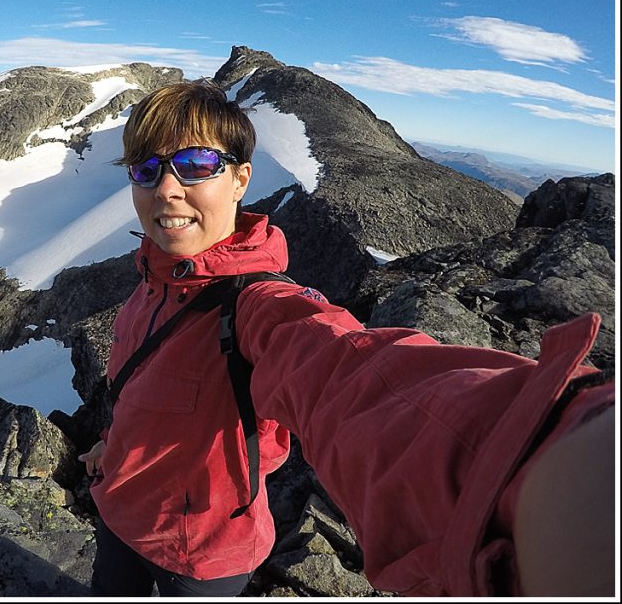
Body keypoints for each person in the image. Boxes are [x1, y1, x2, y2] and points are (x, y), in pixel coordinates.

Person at [78, 80, 615, 597]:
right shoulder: (154, 279)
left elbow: (345, 371)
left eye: (196, 164)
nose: (167, 188)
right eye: (146, 169)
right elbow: (138, 389)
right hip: (118, 509)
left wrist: (533, 457)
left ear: (240, 180)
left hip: (201, 555)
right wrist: (111, 441)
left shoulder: (257, 306)